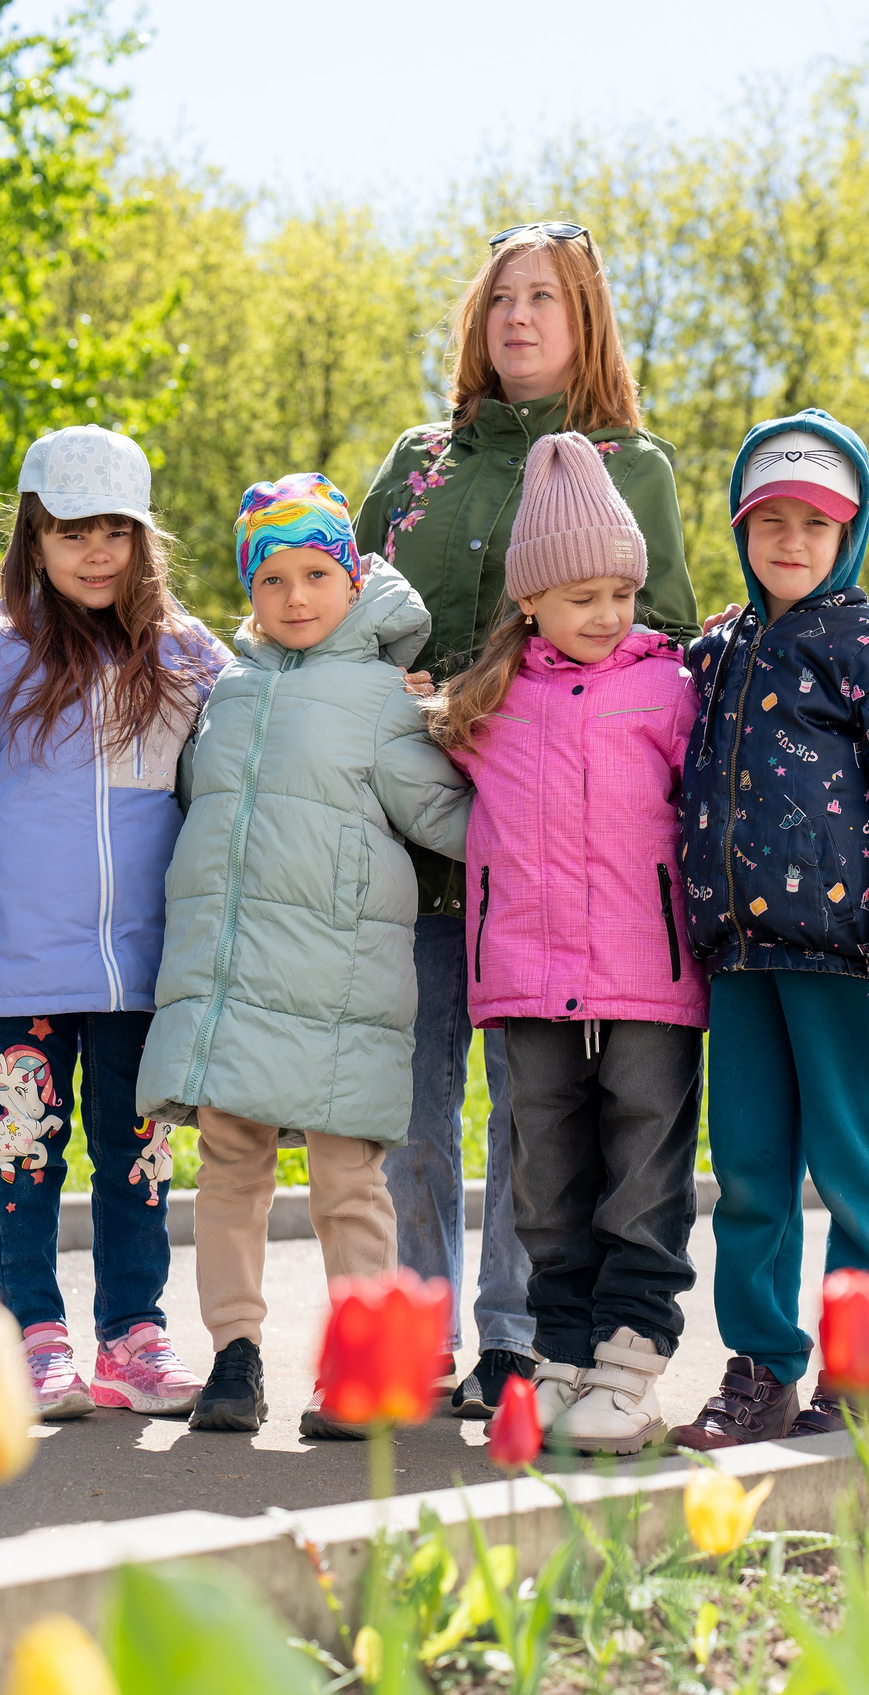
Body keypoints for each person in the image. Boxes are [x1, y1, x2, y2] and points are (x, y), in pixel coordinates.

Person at [353, 221, 699, 1418]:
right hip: (409, 843)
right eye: (501, 298)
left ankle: (514, 1340)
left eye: (545, 297)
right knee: (409, 1107)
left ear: (584, 317)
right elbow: (347, 612)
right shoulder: (418, 462)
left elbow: (659, 650)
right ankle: (408, 1332)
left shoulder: (630, 465)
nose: (519, 317)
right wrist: (390, 690)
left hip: (553, 862)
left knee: (531, 1113)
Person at [0, 426, 225, 1420]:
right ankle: (33, 1337)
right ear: (33, 539)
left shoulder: (190, 656)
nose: (95, 552)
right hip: (21, 955)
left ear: (144, 538)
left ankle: (133, 1337)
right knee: (25, 1150)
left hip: (144, 964)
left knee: (139, 1156)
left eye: (115, 531)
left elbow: (254, 754)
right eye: (72, 531)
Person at [137, 475, 473, 1436]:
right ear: (250, 588)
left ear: (352, 578)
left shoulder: (383, 698)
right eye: (272, 578)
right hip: (232, 979)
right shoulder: (228, 692)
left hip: (340, 984)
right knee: (229, 1170)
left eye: (316, 574)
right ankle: (234, 1354)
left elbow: (448, 817)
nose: (295, 598)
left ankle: (365, 1367)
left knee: (348, 1181)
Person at [669, 411, 869, 1449]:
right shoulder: (714, 652)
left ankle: (862, 1369)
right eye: (770, 520)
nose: (791, 541)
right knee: (749, 1174)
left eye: (816, 524)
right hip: (740, 958)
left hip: (847, 962)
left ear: (850, 532)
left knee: (857, 1168)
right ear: (740, 528)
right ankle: (761, 1370)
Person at [427, 432, 707, 1455]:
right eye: (581, 596)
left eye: (622, 593)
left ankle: (629, 1364)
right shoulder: (487, 705)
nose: (608, 613)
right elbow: (416, 769)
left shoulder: (670, 689)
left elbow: (708, 808)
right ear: (530, 600)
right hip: (528, 974)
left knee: (643, 1167)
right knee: (543, 1174)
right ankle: (560, 1354)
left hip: (649, 973)